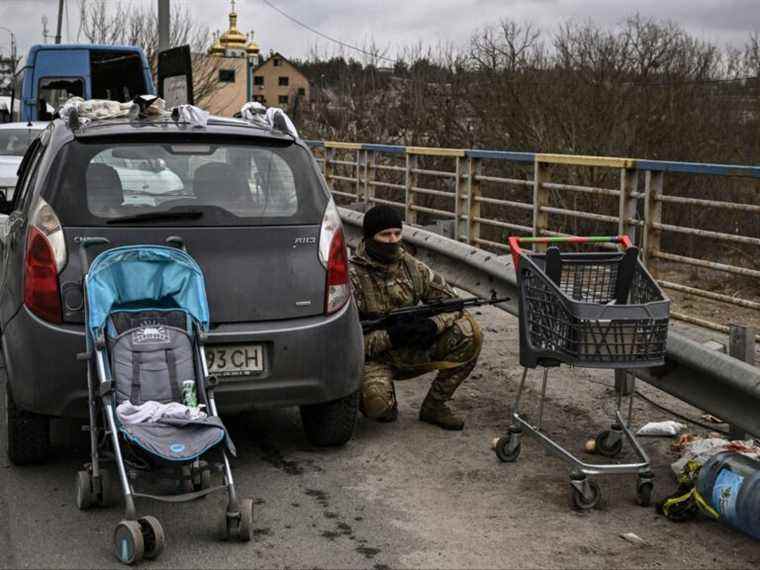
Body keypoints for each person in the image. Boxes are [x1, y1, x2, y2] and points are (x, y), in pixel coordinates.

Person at [349, 205, 482, 430]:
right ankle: (385, 401)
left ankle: (435, 406)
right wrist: (390, 336)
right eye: (385, 234)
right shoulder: (351, 276)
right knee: (377, 406)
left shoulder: (412, 267)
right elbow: (345, 344)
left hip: (412, 349)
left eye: (397, 233)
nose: (392, 240)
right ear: (370, 238)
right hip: (373, 358)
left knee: (470, 332)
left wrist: (432, 325)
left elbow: (453, 303)